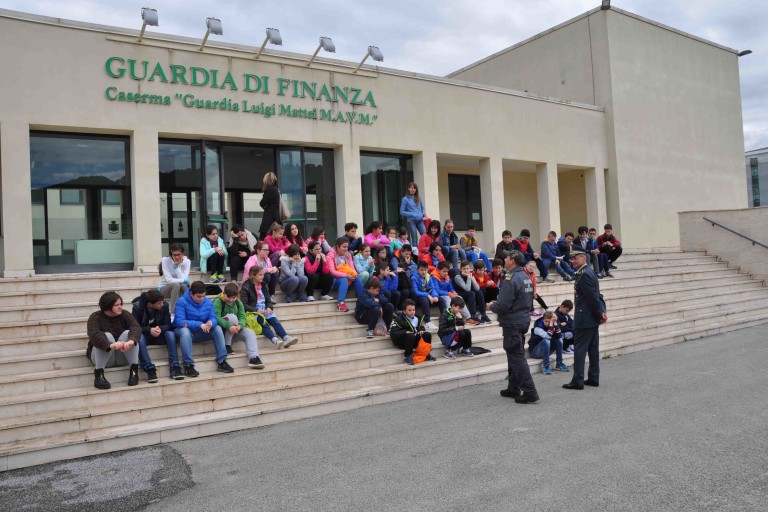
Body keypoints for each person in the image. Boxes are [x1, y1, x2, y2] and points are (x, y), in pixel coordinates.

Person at [491, 250, 539, 404]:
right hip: (522, 320)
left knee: (516, 356)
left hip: (512, 322)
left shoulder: (511, 278)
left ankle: (530, 391)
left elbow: (503, 304)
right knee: (513, 354)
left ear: (512, 261)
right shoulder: (525, 276)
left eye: (506, 257)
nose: (504, 259)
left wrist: (491, 306)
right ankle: (513, 388)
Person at [563, 250, 607, 390]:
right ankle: (593, 377)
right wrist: (601, 312)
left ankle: (578, 381)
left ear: (583, 259)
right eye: (571, 259)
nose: (572, 261)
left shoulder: (584, 274)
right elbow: (596, 296)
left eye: (575, 258)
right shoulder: (587, 272)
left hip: (586, 318)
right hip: (591, 317)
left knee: (580, 350)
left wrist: (600, 313)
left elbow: (593, 298)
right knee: (593, 349)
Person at [173, 281, 234, 375]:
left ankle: (222, 361)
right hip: (185, 332)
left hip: (202, 331)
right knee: (185, 332)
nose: (201, 299)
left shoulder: (208, 302)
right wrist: (200, 324)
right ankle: (188, 366)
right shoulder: (181, 302)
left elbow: (213, 318)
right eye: (198, 296)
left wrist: (210, 323)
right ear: (191, 294)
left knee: (217, 328)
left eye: (203, 296)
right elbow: (180, 322)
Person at [87, 292, 142, 390]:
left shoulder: (125, 314)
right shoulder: (95, 317)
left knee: (129, 334)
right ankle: (99, 376)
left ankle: (134, 372)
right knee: (106, 336)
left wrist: (130, 341)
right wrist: (110, 345)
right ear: (108, 306)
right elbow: (94, 334)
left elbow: (136, 327)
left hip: (122, 356)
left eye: (120, 304)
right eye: (117, 305)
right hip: (104, 359)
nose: (120, 307)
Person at [240, 266, 298, 348]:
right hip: (253, 312)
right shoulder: (246, 287)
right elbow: (243, 304)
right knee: (263, 323)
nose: (263, 277)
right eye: (260, 275)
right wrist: (256, 310)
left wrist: (269, 307)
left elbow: (268, 300)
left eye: (263, 275)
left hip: (265, 310)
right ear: (253, 275)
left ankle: (286, 338)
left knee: (274, 320)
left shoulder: (264, 285)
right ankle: (276, 341)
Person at [213, 283, 265, 369]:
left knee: (250, 333)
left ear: (237, 296)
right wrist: (229, 326)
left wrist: (240, 326)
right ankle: (227, 345)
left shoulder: (238, 302)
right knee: (232, 317)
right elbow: (216, 317)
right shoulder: (218, 301)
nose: (231, 300)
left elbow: (242, 317)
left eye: (233, 297)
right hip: (221, 331)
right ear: (224, 293)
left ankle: (254, 358)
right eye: (228, 297)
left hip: (234, 330)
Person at [132, 289, 177, 383]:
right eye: (159, 303)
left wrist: (161, 329)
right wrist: (149, 330)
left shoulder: (164, 306)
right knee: (139, 338)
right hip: (145, 336)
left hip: (159, 334)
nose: (162, 304)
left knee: (170, 334)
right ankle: (149, 368)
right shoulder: (137, 308)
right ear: (150, 304)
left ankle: (175, 366)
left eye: (162, 302)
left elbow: (168, 324)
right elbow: (135, 327)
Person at [390, 299, 434, 365]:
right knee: (410, 335)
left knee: (427, 334)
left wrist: (421, 330)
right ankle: (408, 356)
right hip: (404, 342)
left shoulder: (417, 318)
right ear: (404, 311)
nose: (412, 312)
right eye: (409, 310)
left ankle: (426, 353)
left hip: (414, 339)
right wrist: (405, 332)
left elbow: (420, 327)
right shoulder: (399, 320)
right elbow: (393, 333)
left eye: (413, 310)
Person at [327, 237, 364, 312]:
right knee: (344, 279)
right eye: (344, 247)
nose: (346, 249)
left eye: (347, 247)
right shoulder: (330, 255)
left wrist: (354, 274)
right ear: (337, 246)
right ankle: (340, 304)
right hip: (335, 281)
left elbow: (352, 268)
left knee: (357, 278)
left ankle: (363, 301)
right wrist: (346, 275)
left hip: (348, 279)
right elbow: (332, 272)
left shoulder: (348, 255)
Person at [158, 243, 190, 314]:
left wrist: (176, 267)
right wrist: (184, 280)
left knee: (183, 286)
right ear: (171, 254)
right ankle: (174, 311)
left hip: (179, 289)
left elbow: (184, 281)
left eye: (178, 254)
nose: (176, 257)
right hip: (164, 288)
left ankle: (189, 309)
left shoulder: (187, 262)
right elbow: (169, 280)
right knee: (176, 285)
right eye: (174, 255)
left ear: (183, 254)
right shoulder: (165, 260)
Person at [411, 260, 440, 330]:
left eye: (425, 270)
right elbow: (415, 292)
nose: (423, 272)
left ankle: (445, 318)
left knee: (441, 299)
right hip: (417, 298)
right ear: (417, 270)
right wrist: (427, 295)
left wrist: (435, 296)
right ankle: (427, 322)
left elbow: (432, 288)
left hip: (427, 297)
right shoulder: (413, 278)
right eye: (421, 270)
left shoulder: (428, 277)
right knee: (424, 299)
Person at [400, 181, 427, 248]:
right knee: (414, 239)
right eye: (412, 188)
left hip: (420, 220)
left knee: (425, 235)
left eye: (415, 188)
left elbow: (422, 207)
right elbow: (402, 212)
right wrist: (413, 214)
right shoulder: (405, 199)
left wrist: (423, 213)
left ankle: (424, 249)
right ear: (408, 188)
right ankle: (415, 252)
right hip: (411, 221)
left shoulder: (418, 197)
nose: (413, 189)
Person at [257, 171, 280, 240]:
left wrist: (266, 207)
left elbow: (262, 203)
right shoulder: (276, 189)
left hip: (270, 218)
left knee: (263, 239)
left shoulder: (270, 190)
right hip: (275, 217)